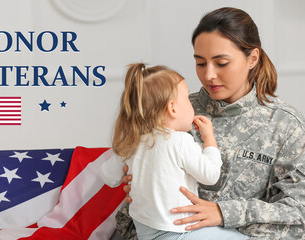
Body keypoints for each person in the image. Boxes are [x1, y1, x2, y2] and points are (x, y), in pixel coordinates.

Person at [113, 7, 305, 240]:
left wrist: (225, 213)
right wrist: (139, 184)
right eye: (200, 63)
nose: (209, 75)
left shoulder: (284, 126)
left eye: (222, 63)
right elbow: (128, 221)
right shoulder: (170, 111)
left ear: (252, 58)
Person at [101, 63, 248, 240]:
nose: (190, 103)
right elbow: (210, 176)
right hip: (177, 233)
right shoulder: (180, 140)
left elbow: (109, 177)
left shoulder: (131, 141)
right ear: (172, 108)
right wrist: (209, 139)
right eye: (186, 98)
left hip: (144, 233)